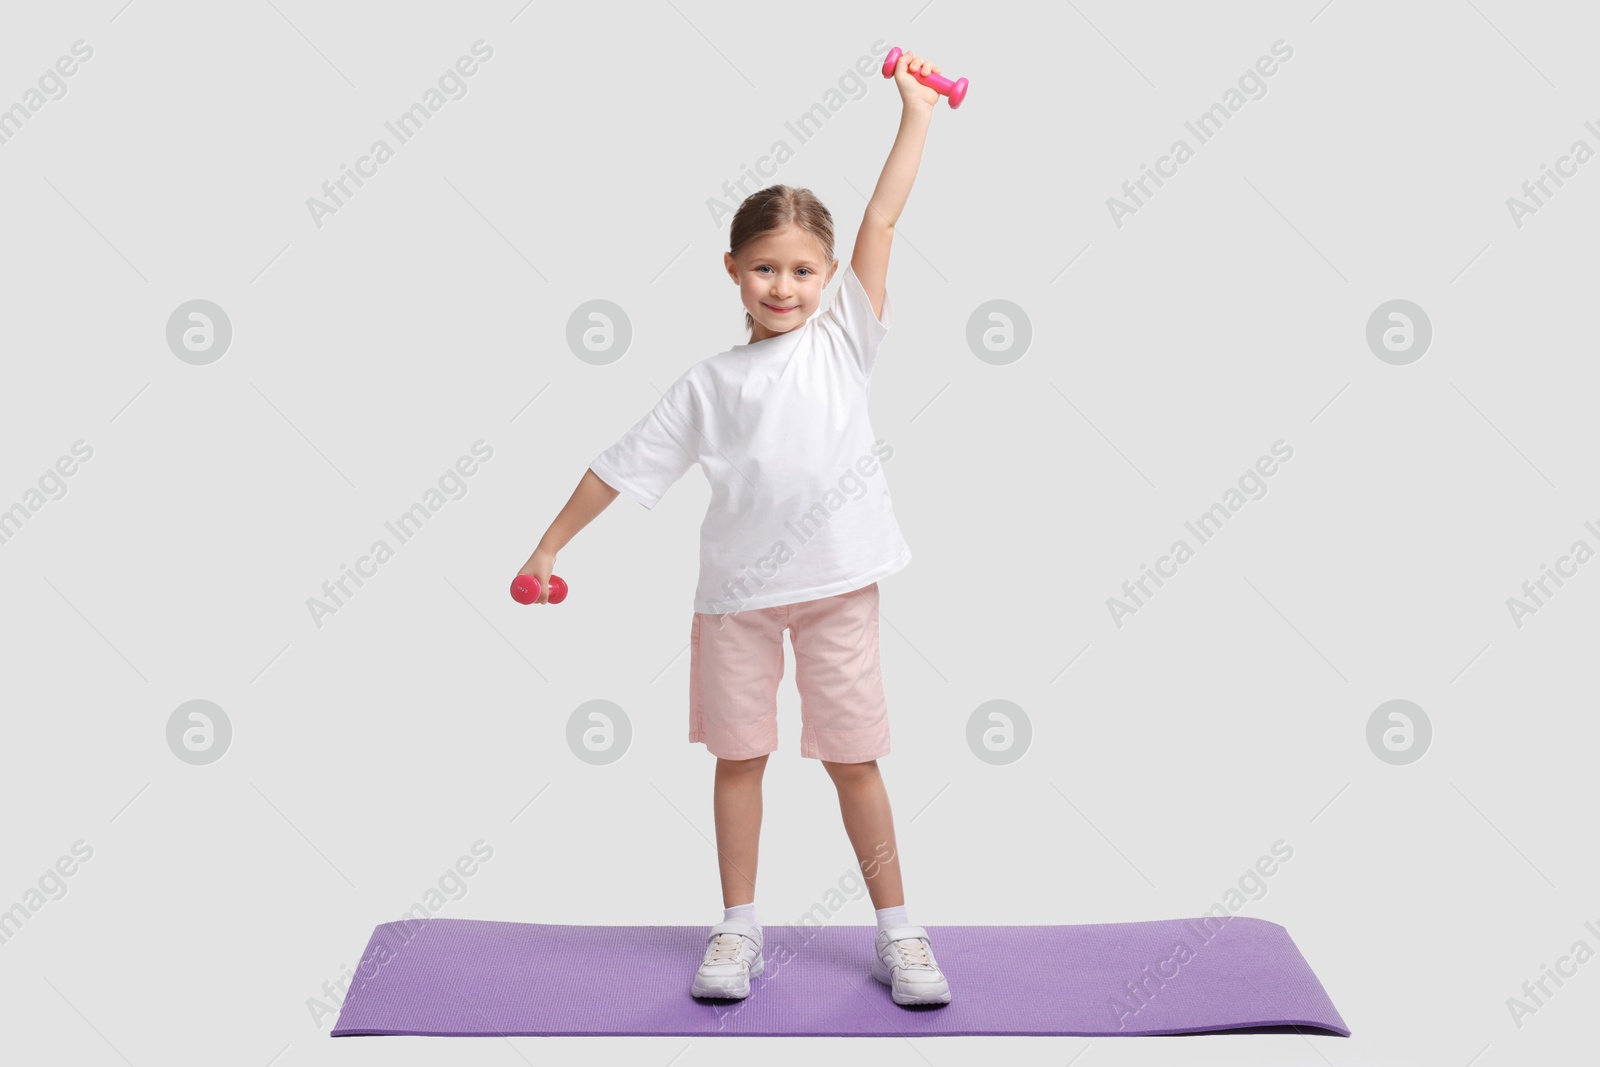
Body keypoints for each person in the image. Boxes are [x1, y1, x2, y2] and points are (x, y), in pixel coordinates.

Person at [517, 48, 950, 1008]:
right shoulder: (707, 383)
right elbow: (616, 468)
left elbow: (883, 215)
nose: (783, 285)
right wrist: (550, 545)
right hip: (737, 605)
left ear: (830, 275)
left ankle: (899, 931)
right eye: (764, 268)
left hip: (838, 588)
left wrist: (916, 114)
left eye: (801, 269)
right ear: (732, 270)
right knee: (740, 759)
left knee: (853, 759)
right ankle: (738, 928)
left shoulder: (845, 341)